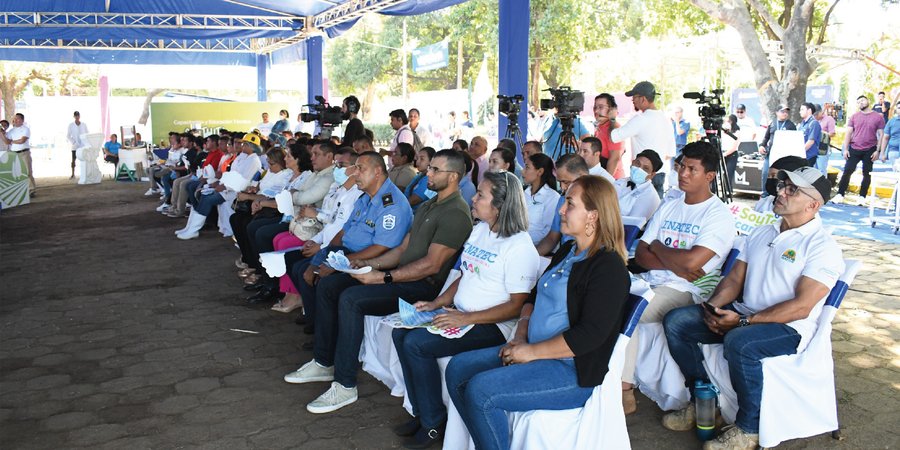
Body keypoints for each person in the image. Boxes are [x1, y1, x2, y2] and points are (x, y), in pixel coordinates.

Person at [661, 167, 843, 450]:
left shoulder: (822, 247)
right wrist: (713, 308)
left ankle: (749, 429)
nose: (780, 191)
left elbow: (802, 307)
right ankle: (703, 403)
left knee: (739, 342)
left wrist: (744, 322)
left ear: (813, 205)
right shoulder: (762, 232)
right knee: (677, 322)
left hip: (790, 328)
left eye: (792, 189)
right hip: (746, 314)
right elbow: (734, 280)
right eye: (783, 184)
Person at [445, 175, 632, 450]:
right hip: (535, 349)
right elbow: (533, 295)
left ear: (593, 215)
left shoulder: (608, 267)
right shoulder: (569, 250)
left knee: (480, 391)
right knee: (458, 369)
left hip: (571, 371)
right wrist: (520, 335)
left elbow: (590, 336)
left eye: (570, 203)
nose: (561, 210)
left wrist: (531, 353)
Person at [284, 150, 471, 417]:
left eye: (434, 170)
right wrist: (368, 265)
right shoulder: (431, 204)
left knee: (351, 298)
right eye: (428, 168)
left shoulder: (455, 213)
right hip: (401, 273)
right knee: (330, 286)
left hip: (423, 288)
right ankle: (324, 361)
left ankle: (346, 384)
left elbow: (431, 265)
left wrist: (382, 276)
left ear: (453, 177)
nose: (427, 174)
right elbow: (401, 249)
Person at [391, 170, 538, 447]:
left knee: (416, 344)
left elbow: (516, 306)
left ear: (500, 205)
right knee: (402, 333)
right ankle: (422, 411)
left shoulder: (519, 246)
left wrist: (465, 317)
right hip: (463, 315)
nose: (474, 199)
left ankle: (433, 424)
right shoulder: (480, 230)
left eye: (481, 195)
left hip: (492, 326)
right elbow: (464, 275)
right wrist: (437, 303)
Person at [622, 141, 736, 414]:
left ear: (709, 176)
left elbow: (692, 265)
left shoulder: (717, 215)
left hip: (685, 289)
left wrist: (660, 250)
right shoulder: (670, 205)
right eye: (681, 166)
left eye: (691, 169)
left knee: (627, 311)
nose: (682, 173)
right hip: (651, 280)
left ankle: (624, 391)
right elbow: (642, 256)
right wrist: (675, 258)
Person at [242, 141, 334, 301]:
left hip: (303, 222)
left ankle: (273, 285)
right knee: (250, 225)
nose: (313, 158)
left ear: (329, 156)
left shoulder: (325, 176)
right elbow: (290, 195)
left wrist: (292, 195)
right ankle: (266, 279)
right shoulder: (314, 174)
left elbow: (302, 197)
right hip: (294, 218)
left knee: (263, 233)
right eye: (312, 154)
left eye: (316, 154)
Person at [276, 148, 360, 315]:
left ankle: (313, 315)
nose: (337, 169)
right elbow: (331, 222)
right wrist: (315, 240)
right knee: (291, 260)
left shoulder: (357, 195)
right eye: (336, 165)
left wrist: (320, 247)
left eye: (342, 165)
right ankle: (310, 310)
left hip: (337, 248)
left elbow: (341, 229)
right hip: (323, 239)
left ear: (355, 169)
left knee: (303, 270)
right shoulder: (339, 188)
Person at [175, 133, 262, 240]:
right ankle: (189, 228)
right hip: (226, 187)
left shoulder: (253, 160)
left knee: (207, 199)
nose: (241, 146)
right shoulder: (242, 157)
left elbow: (244, 182)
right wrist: (220, 184)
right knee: (201, 194)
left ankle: (193, 230)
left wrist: (224, 186)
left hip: (236, 191)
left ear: (250, 146)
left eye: (244, 144)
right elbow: (231, 174)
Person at [612, 82, 677, 197]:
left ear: (643, 99)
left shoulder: (641, 119)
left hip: (642, 175)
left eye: (634, 97)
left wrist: (610, 118)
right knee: (655, 211)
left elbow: (615, 136)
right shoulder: (666, 119)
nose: (633, 101)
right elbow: (670, 154)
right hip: (659, 174)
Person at [833, 95, 886, 205]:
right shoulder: (854, 116)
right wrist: (846, 149)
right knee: (847, 171)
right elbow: (848, 133)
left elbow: (881, 135)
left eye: (862, 100)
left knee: (867, 173)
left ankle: (862, 197)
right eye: (858, 102)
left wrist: (878, 150)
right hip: (854, 147)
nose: (860, 103)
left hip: (870, 148)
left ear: (868, 101)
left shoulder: (878, 117)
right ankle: (840, 194)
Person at [536, 153, 589, 256]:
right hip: (565, 256)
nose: (562, 187)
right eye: (560, 182)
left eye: (566, 182)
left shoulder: (599, 199)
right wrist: (532, 257)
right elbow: (552, 237)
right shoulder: (562, 199)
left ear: (582, 176)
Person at [757, 105, 796, 197]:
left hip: (783, 155)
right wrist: (762, 146)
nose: (785, 114)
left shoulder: (791, 125)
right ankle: (765, 193)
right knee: (766, 172)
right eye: (782, 111)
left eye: (786, 112)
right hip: (771, 153)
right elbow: (766, 137)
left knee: (781, 175)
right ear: (777, 113)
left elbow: (794, 140)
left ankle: (780, 194)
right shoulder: (773, 123)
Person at [523, 153, 560, 245]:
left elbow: (548, 233)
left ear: (540, 172)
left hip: (539, 249)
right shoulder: (523, 193)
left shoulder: (552, 197)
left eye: (527, 167)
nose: (523, 172)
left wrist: (520, 239)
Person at [616, 149, 663, 223]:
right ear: (632, 162)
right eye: (637, 164)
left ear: (652, 175)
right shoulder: (621, 182)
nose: (639, 169)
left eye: (645, 168)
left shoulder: (650, 197)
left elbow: (631, 224)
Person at [1, 113, 35, 196]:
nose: (15, 120)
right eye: (14, 119)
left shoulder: (26, 129)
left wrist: (12, 141)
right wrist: (1, 133)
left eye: (17, 119)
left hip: (24, 153)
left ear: (22, 120)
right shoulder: (11, 131)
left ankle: (31, 190)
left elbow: (22, 140)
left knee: (27, 171)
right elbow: (6, 141)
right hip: (14, 154)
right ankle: (20, 190)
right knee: (16, 173)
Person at [593, 93, 624, 178]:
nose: (596, 111)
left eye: (600, 107)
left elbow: (614, 159)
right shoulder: (600, 127)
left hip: (612, 180)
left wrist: (606, 182)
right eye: (595, 107)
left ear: (611, 110)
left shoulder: (614, 129)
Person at [405, 147, 436, 211]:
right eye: (417, 158)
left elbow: (414, 200)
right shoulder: (420, 175)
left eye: (422, 159)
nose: (417, 162)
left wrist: (397, 207)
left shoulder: (429, 179)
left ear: (431, 161)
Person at [798, 103, 823, 167]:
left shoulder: (814, 123)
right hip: (802, 156)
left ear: (809, 111)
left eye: (802, 109)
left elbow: (811, 141)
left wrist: (800, 152)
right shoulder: (802, 123)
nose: (800, 112)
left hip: (809, 156)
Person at [815, 104, 837, 175]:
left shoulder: (829, 119)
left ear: (820, 112)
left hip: (823, 146)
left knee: (821, 169)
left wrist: (821, 133)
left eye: (816, 115)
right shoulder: (813, 120)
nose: (815, 117)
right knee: (813, 169)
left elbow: (832, 133)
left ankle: (822, 185)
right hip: (813, 146)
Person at [66, 111, 88, 179]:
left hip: (83, 146)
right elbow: (68, 135)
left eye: (78, 115)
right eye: (75, 115)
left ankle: (85, 174)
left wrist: (86, 143)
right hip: (75, 146)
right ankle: (73, 174)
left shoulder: (84, 124)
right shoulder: (71, 125)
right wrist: (73, 142)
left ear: (79, 116)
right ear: (74, 116)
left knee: (84, 160)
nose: (77, 117)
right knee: (73, 160)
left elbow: (87, 134)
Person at [721, 114, 740, 187]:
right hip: (723, 153)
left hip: (732, 155)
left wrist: (725, 154)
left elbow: (734, 147)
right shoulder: (724, 131)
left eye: (728, 121)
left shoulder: (737, 132)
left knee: (728, 174)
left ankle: (728, 191)